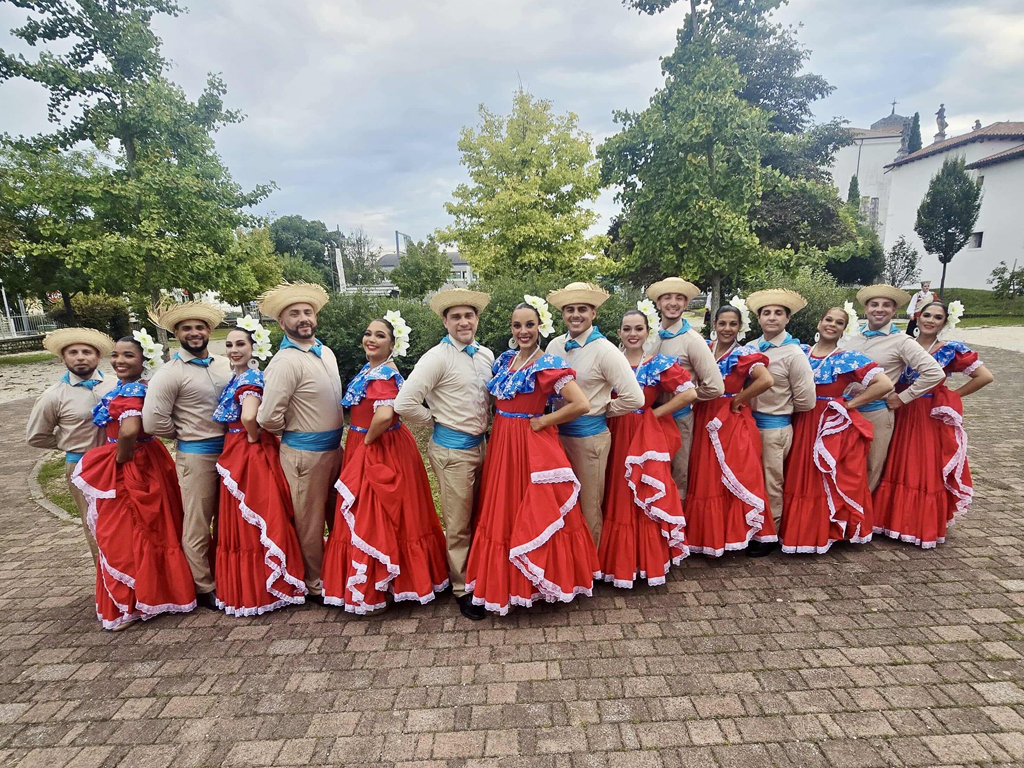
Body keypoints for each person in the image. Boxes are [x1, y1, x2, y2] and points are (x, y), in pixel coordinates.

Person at [464, 299, 599, 614]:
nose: (523, 331)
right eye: (517, 325)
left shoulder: (547, 363)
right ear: (511, 328)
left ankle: (542, 582)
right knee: (503, 508)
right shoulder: (505, 361)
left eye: (529, 324)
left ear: (540, 327)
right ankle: (508, 583)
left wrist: (543, 421)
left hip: (530, 445)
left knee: (532, 509)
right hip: (502, 445)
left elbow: (580, 404)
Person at [322, 315, 450, 614]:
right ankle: (392, 581)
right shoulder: (372, 370)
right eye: (368, 333)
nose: (371, 339)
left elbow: (383, 414)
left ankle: (383, 585)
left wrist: (366, 442)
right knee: (383, 513)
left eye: (380, 336)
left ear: (392, 344)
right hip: (377, 443)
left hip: (379, 447)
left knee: (374, 512)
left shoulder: (383, 375)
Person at [71, 336, 196, 630]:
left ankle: (133, 602)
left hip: (133, 463)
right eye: (115, 355)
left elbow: (128, 431)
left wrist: (119, 459)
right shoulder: (130, 388)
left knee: (127, 530)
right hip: (149, 458)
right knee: (154, 526)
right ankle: (155, 593)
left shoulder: (130, 391)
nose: (119, 361)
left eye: (128, 355)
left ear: (143, 361)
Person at [394, 288, 494, 621]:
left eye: (469, 315)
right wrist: (436, 421)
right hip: (452, 450)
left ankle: (480, 572)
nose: (464, 322)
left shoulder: (486, 355)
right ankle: (463, 587)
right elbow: (405, 402)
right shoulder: (436, 357)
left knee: (480, 515)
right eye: (456, 317)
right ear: (445, 321)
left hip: (483, 446)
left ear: (477, 318)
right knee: (458, 522)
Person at [873, 301, 994, 547]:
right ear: (917, 318)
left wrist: (951, 396)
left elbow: (985, 376)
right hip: (899, 407)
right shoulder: (902, 343)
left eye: (937, 317)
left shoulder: (950, 349)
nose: (930, 320)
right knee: (893, 461)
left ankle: (918, 525)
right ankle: (888, 521)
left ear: (944, 322)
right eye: (926, 315)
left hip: (928, 414)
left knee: (921, 466)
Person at [780, 306, 893, 554]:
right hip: (799, 419)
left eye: (839, 322)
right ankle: (796, 530)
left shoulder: (848, 358)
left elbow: (883, 384)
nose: (832, 325)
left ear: (844, 329)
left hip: (827, 424)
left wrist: (849, 404)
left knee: (821, 476)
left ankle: (821, 532)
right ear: (819, 323)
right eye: (828, 319)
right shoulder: (800, 352)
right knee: (797, 473)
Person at [257, 282, 344, 604]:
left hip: (335, 449)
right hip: (305, 453)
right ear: (282, 323)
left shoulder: (326, 352)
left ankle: (336, 570)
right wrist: (297, 434)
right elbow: (267, 417)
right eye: (294, 314)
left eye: (307, 312)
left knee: (336, 514)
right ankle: (315, 581)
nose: (303, 318)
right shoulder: (285, 361)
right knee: (309, 520)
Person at [212, 321, 307, 616]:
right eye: (229, 345)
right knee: (248, 517)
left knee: (253, 516)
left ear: (254, 348)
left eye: (240, 344)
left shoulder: (250, 378)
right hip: (242, 450)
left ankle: (262, 586)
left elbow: (250, 416)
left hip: (248, 453)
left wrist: (250, 437)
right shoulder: (238, 377)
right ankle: (256, 584)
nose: (234, 350)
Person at [143, 300, 232, 609]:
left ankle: (229, 574)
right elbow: (154, 421)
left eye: (199, 327)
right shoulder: (169, 373)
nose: (194, 333)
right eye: (186, 328)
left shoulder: (225, 365)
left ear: (208, 330)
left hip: (232, 452)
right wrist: (184, 432)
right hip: (196, 455)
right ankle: (204, 585)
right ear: (177, 333)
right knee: (196, 521)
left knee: (228, 518)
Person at [599, 307, 696, 586]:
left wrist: (655, 413)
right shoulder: (610, 359)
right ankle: (614, 562)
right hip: (613, 429)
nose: (632, 334)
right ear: (618, 333)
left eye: (638, 329)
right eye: (626, 329)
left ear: (647, 332)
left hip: (643, 435)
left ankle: (645, 561)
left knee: (640, 491)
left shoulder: (657, 363)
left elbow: (689, 392)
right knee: (614, 490)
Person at [546, 282, 644, 546]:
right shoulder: (555, 346)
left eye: (582, 309)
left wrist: (603, 409)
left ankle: (590, 567)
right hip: (555, 437)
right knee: (560, 501)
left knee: (589, 504)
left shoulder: (606, 351)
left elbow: (635, 397)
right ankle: (568, 562)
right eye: (569, 309)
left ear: (593, 314)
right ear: (563, 314)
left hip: (589, 439)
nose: (575, 315)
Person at [685, 302, 778, 556]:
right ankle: (709, 536)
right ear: (714, 325)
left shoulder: (743, 353)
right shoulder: (704, 348)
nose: (727, 328)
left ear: (740, 327)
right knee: (706, 475)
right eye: (722, 323)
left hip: (730, 418)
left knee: (738, 474)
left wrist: (738, 399)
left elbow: (766, 380)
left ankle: (745, 534)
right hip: (704, 413)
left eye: (733, 324)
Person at [840, 285, 945, 491]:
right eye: (874, 304)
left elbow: (934, 373)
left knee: (871, 468)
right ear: (866, 309)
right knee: (842, 465)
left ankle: (861, 519)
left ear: (894, 311)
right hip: (845, 411)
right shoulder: (852, 338)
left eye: (886, 305)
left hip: (875, 414)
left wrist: (903, 397)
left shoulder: (901, 341)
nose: (879, 309)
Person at [27, 328, 115, 565]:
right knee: (93, 522)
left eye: (87, 352)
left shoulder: (114, 385)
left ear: (97, 357)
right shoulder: (54, 396)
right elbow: (36, 436)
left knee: (121, 520)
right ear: (63, 358)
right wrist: (69, 443)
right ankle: (104, 580)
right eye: (73, 352)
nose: (80, 357)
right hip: (82, 465)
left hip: (117, 461)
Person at [746, 289, 817, 555]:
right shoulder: (751, 348)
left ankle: (770, 535)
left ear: (787, 319)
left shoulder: (793, 354)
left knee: (771, 482)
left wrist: (779, 409)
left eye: (778, 313)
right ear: (758, 318)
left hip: (774, 426)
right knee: (752, 479)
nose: (772, 318)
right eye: (766, 313)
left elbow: (806, 400)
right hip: (749, 425)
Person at [646, 277, 725, 504]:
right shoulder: (647, 335)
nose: (673, 303)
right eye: (667, 298)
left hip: (678, 419)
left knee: (677, 475)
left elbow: (715, 386)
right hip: (648, 417)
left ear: (686, 304)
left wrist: (684, 398)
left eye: (679, 298)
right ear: (658, 304)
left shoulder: (693, 341)